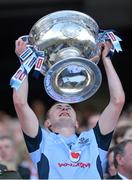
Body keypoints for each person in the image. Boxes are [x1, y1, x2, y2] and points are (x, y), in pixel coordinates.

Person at [12, 38, 125, 179]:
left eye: (68, 107)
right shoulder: (42, 140)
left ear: (77, 122)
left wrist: (106, 59)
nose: (64, 108)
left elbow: (118, 101)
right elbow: (20, 103)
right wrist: (24, 62)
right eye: (58, 107)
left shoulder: (94, 139)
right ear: (48, 124)